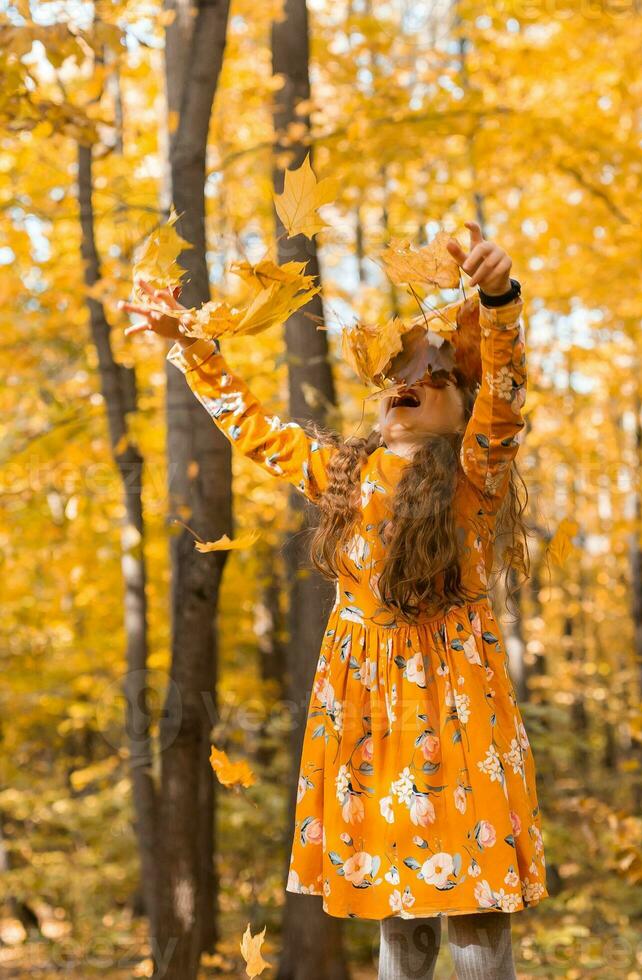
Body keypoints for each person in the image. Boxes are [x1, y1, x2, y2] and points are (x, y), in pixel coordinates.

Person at [121, 221, 548, 978]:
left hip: (454, 709)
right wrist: (188, 338)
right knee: (397, 911)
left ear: (464, 407)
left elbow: (508, 389)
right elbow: (250, 426)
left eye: (435, 375)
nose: (406, 381)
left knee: (474, 914)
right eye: (394, 373)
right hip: (368, 716)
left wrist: (498, 297)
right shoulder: (340, 473)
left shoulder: (474, 475)